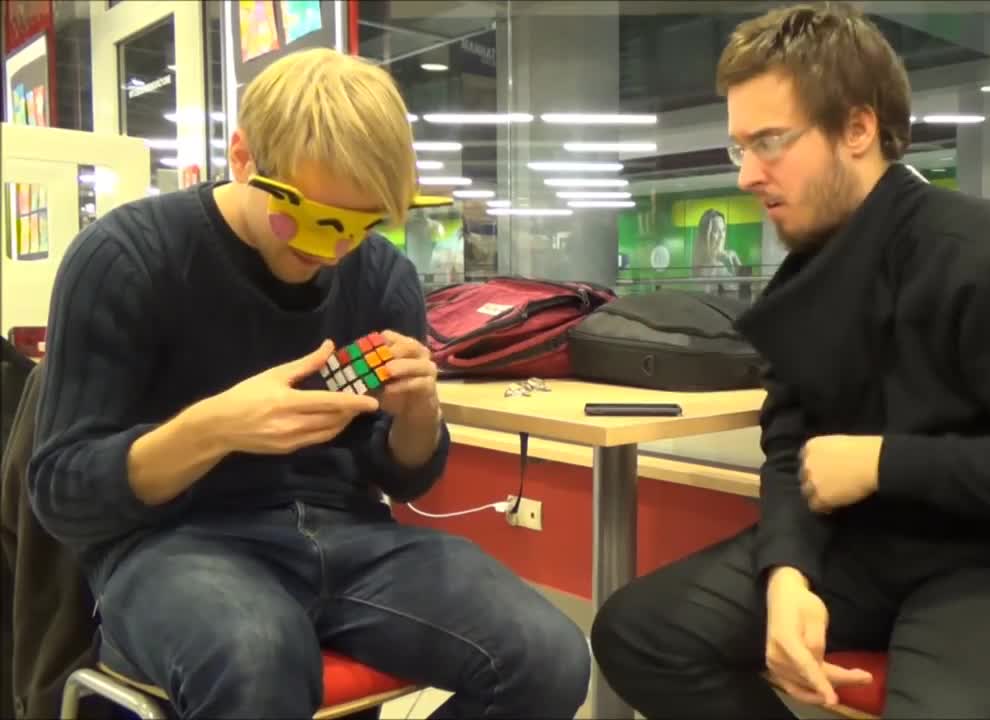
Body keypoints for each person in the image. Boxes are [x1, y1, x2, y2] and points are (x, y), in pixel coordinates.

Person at [590, 4, 990, 718]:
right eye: (740, 148)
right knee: (642, 633)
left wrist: (884, 463)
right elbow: (791, 452)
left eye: (770, 142)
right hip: (868, 550)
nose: (746, 175)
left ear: (857, 129)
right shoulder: (804, 281)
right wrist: (787, 571)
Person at [29, 48, 589, 719]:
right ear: (242, 157)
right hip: (172, 543)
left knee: (549, 657)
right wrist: (212, 429)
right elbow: (61, 491)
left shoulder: (380, 274)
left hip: (350, 536)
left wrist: (419, 416)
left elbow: (404, 478)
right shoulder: (128, 257)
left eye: (358, 226)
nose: (330, 251)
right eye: (307, 217)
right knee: (260, 661)